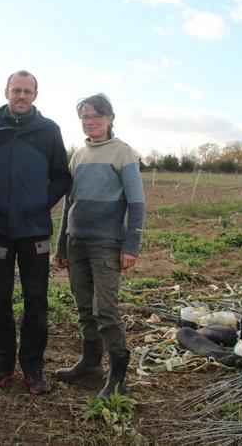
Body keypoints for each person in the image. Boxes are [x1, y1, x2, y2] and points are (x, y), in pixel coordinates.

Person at [0, 70, 71, 395]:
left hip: (34, 231)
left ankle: (32, 367)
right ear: (6, 92)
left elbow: (61, 176)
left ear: (35, 96)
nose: (21, 96)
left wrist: (41, 202)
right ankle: (2, 365)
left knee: (36, 301)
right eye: (16, 90)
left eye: (27, 92)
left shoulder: (48, 131)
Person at [53, 93, 145, 398]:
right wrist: (61, 245)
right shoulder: (78, 155)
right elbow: (69, 204)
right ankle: (91, 364)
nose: (89, 122)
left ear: (110, 118)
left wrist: (131, 245)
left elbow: (137, 204)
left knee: (104, 309)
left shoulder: (123, 153)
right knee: (83, 308)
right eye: (84, 117)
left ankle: (119, 373)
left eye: (95, 116)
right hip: (76, 241)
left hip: (107, 244)